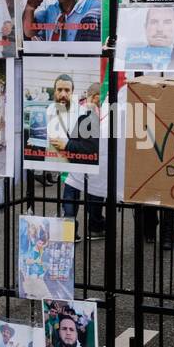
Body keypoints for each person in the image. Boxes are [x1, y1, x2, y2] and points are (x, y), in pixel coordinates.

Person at [62, 82, 107, 241]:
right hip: (92, 161)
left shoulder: (77, 110)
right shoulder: (95, 113)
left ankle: (69, 231)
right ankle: (95, 227)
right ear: (96, 97)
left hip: (75, 161)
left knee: (71, 195)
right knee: (94, 195)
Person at [124, 5, 174, 71]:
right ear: (145, 27)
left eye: (167, 22)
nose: (159, 29)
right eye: (154, 22)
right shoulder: (131, 58)